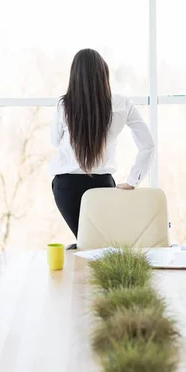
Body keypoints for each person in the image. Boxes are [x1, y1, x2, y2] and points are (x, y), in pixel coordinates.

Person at [50, 48, 155, 238]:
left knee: (86, 243)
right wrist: (133, 180)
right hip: (102, 186)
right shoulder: (122, 104)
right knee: (101, 245)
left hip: (66, 187)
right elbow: (148, 145)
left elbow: (55, 141)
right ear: (103, 74)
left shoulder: (64, 106)